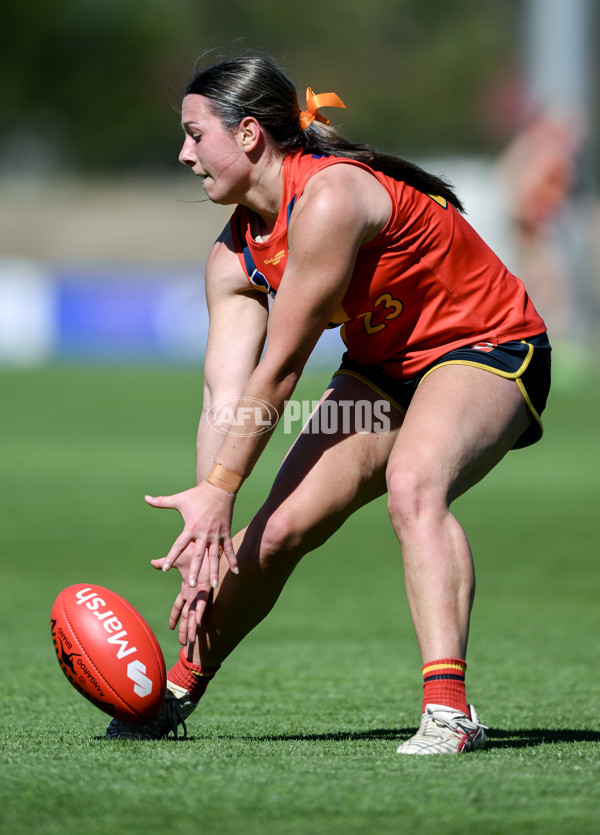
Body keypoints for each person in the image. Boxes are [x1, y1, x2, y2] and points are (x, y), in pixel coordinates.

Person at [106, 55, 551, 754]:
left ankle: (449, 711)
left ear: (249, 135)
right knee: (273, 533)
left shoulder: (331, 199)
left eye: (196, 134)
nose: (185, 153)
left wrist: (224, 486)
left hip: (486, 346)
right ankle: (176, 691)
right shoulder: (232, 260)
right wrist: (208, 516)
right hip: (382, 374)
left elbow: (279, 373)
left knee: (413, 484)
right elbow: (226, 398)